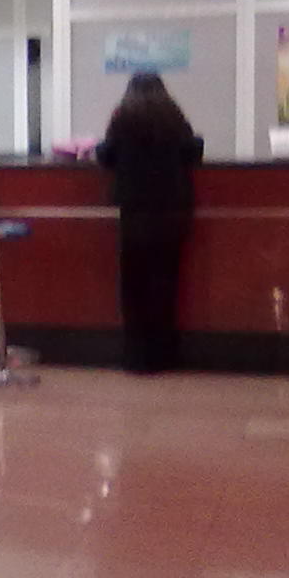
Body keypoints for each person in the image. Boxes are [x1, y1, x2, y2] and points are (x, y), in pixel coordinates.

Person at [96, 73, 203, 373]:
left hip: (135, 211)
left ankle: (137, 358)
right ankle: (165, 355)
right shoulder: (173, 118)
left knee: (134, 286)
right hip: (172, 210)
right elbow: (193, 153)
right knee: (165, 283)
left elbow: (106, 156)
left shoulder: (122, 118)